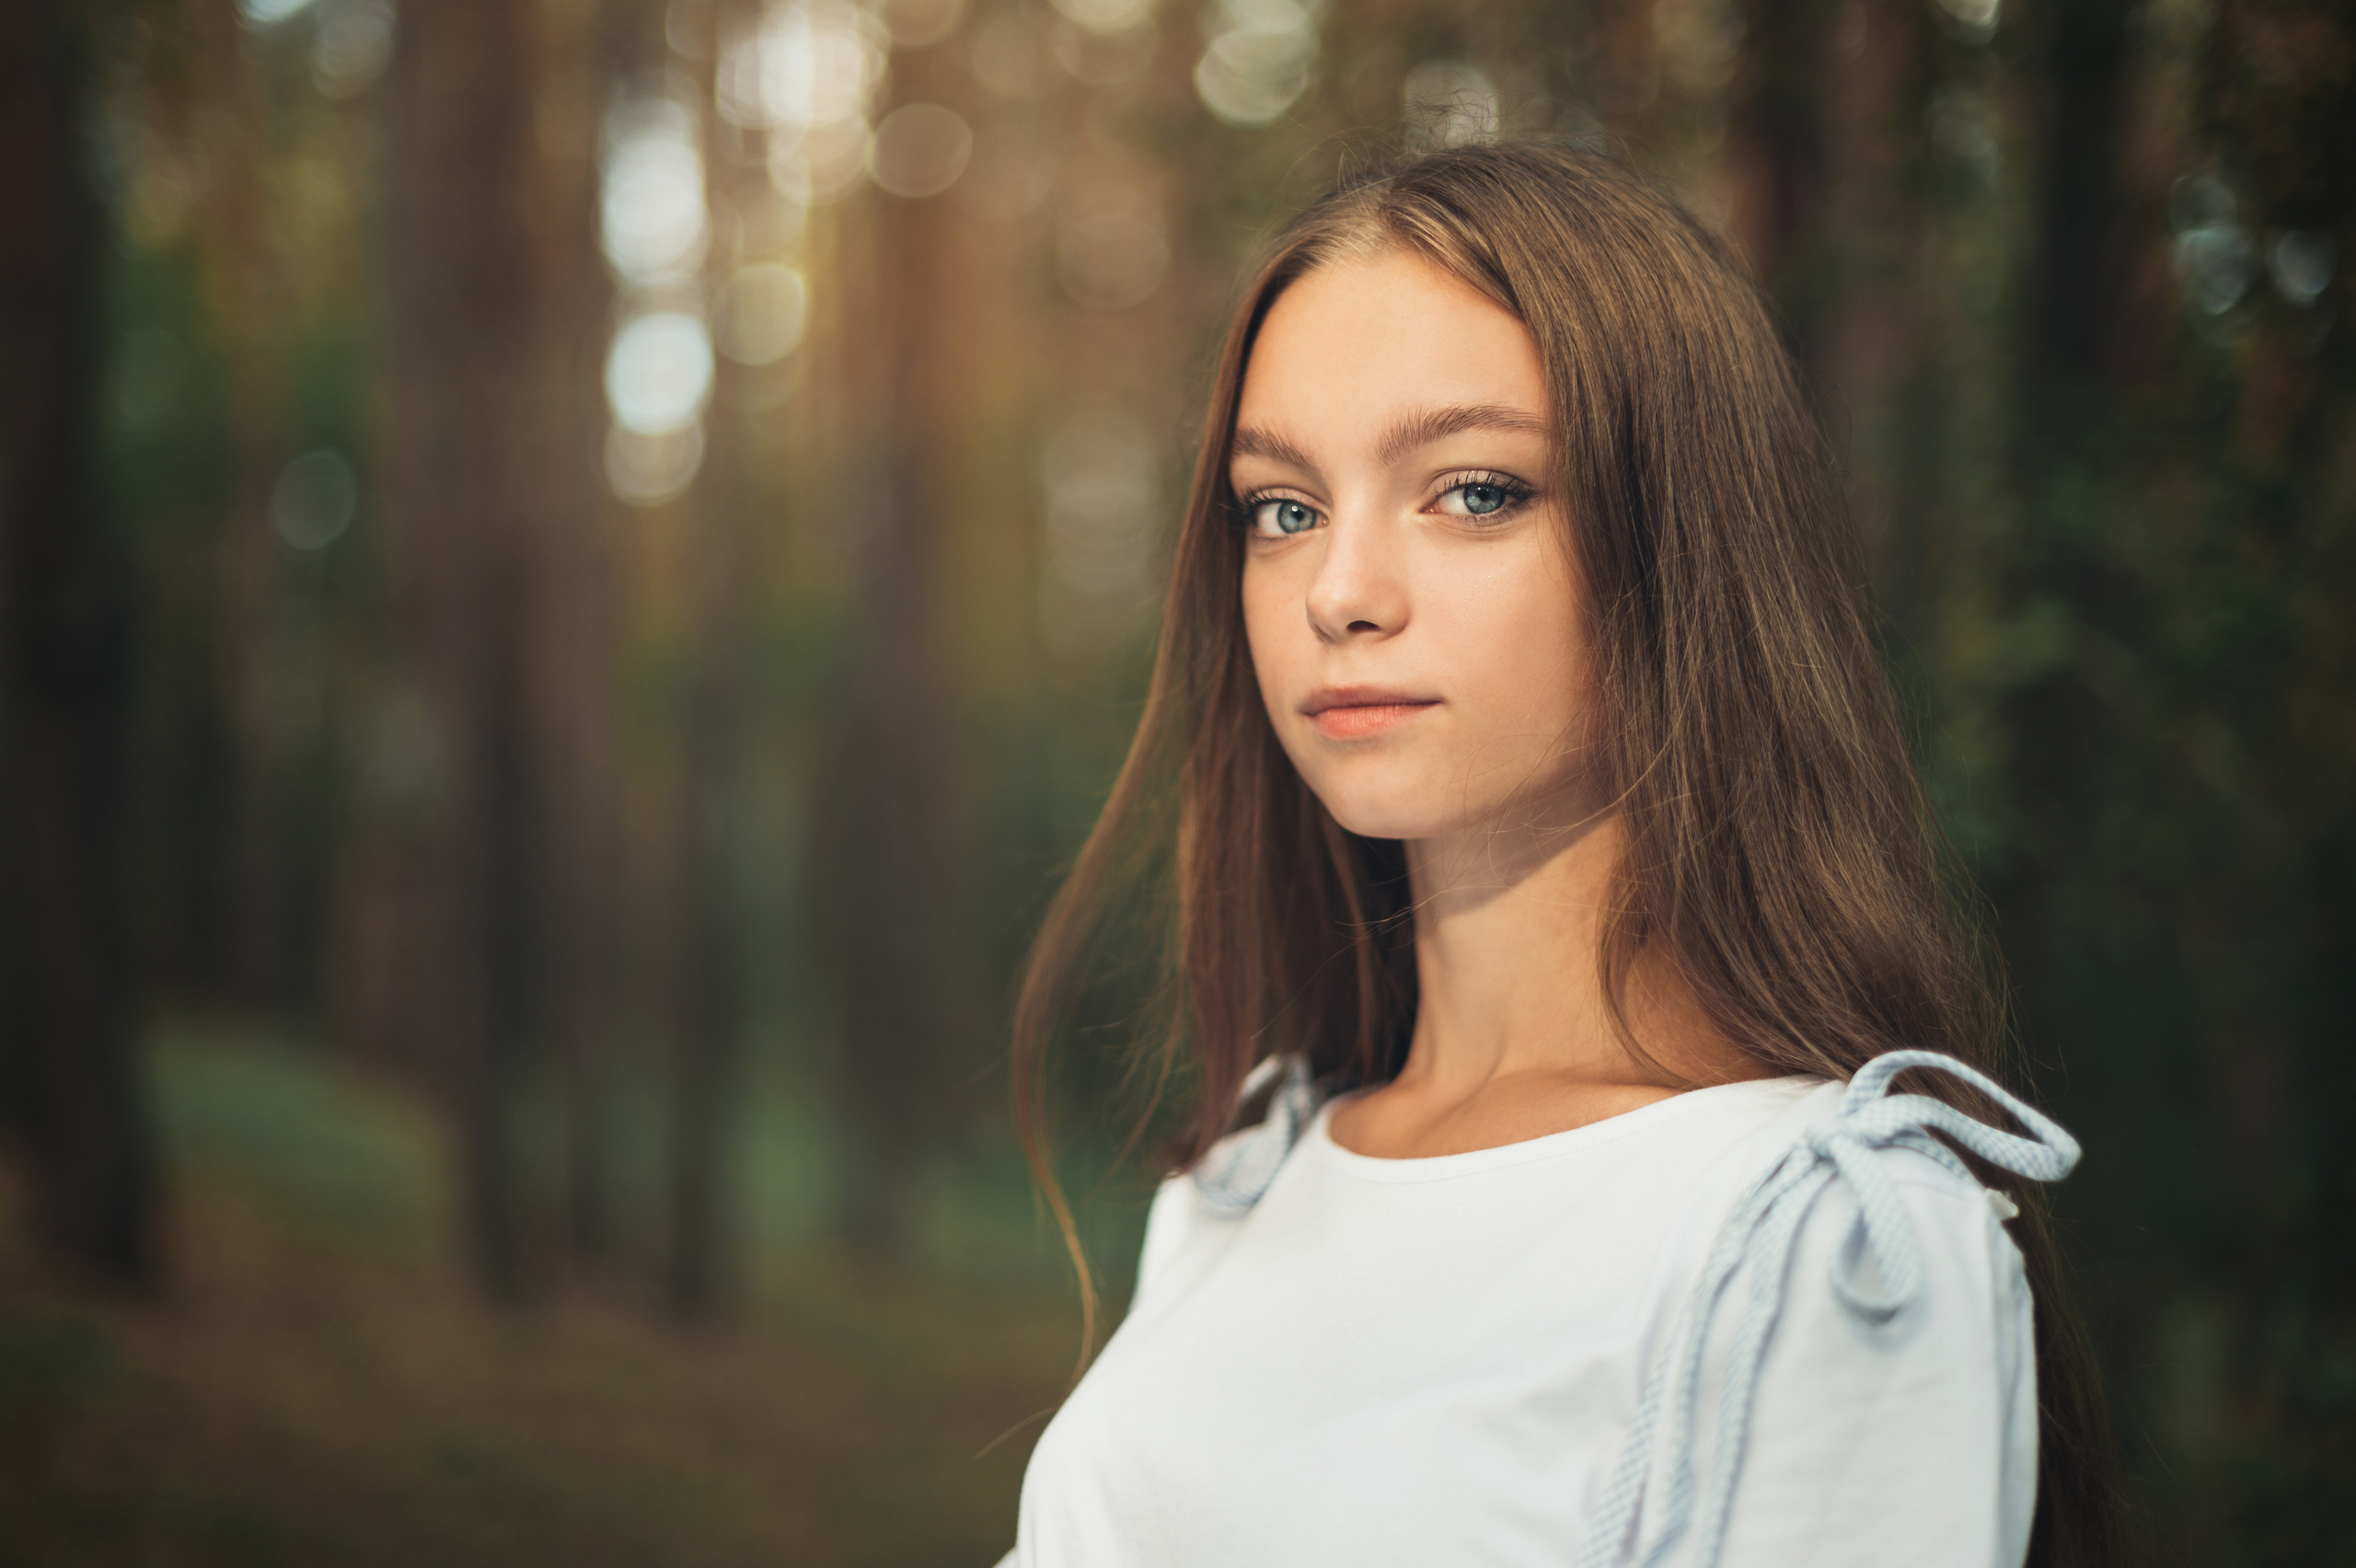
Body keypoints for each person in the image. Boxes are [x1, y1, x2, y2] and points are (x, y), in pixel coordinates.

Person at [999, 143, 2122, 1567]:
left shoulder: (1831, 1241)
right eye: (1284, 508)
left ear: (1683, 539)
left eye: (1473, 491)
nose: (1340, 591)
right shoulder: (1246, 1176)